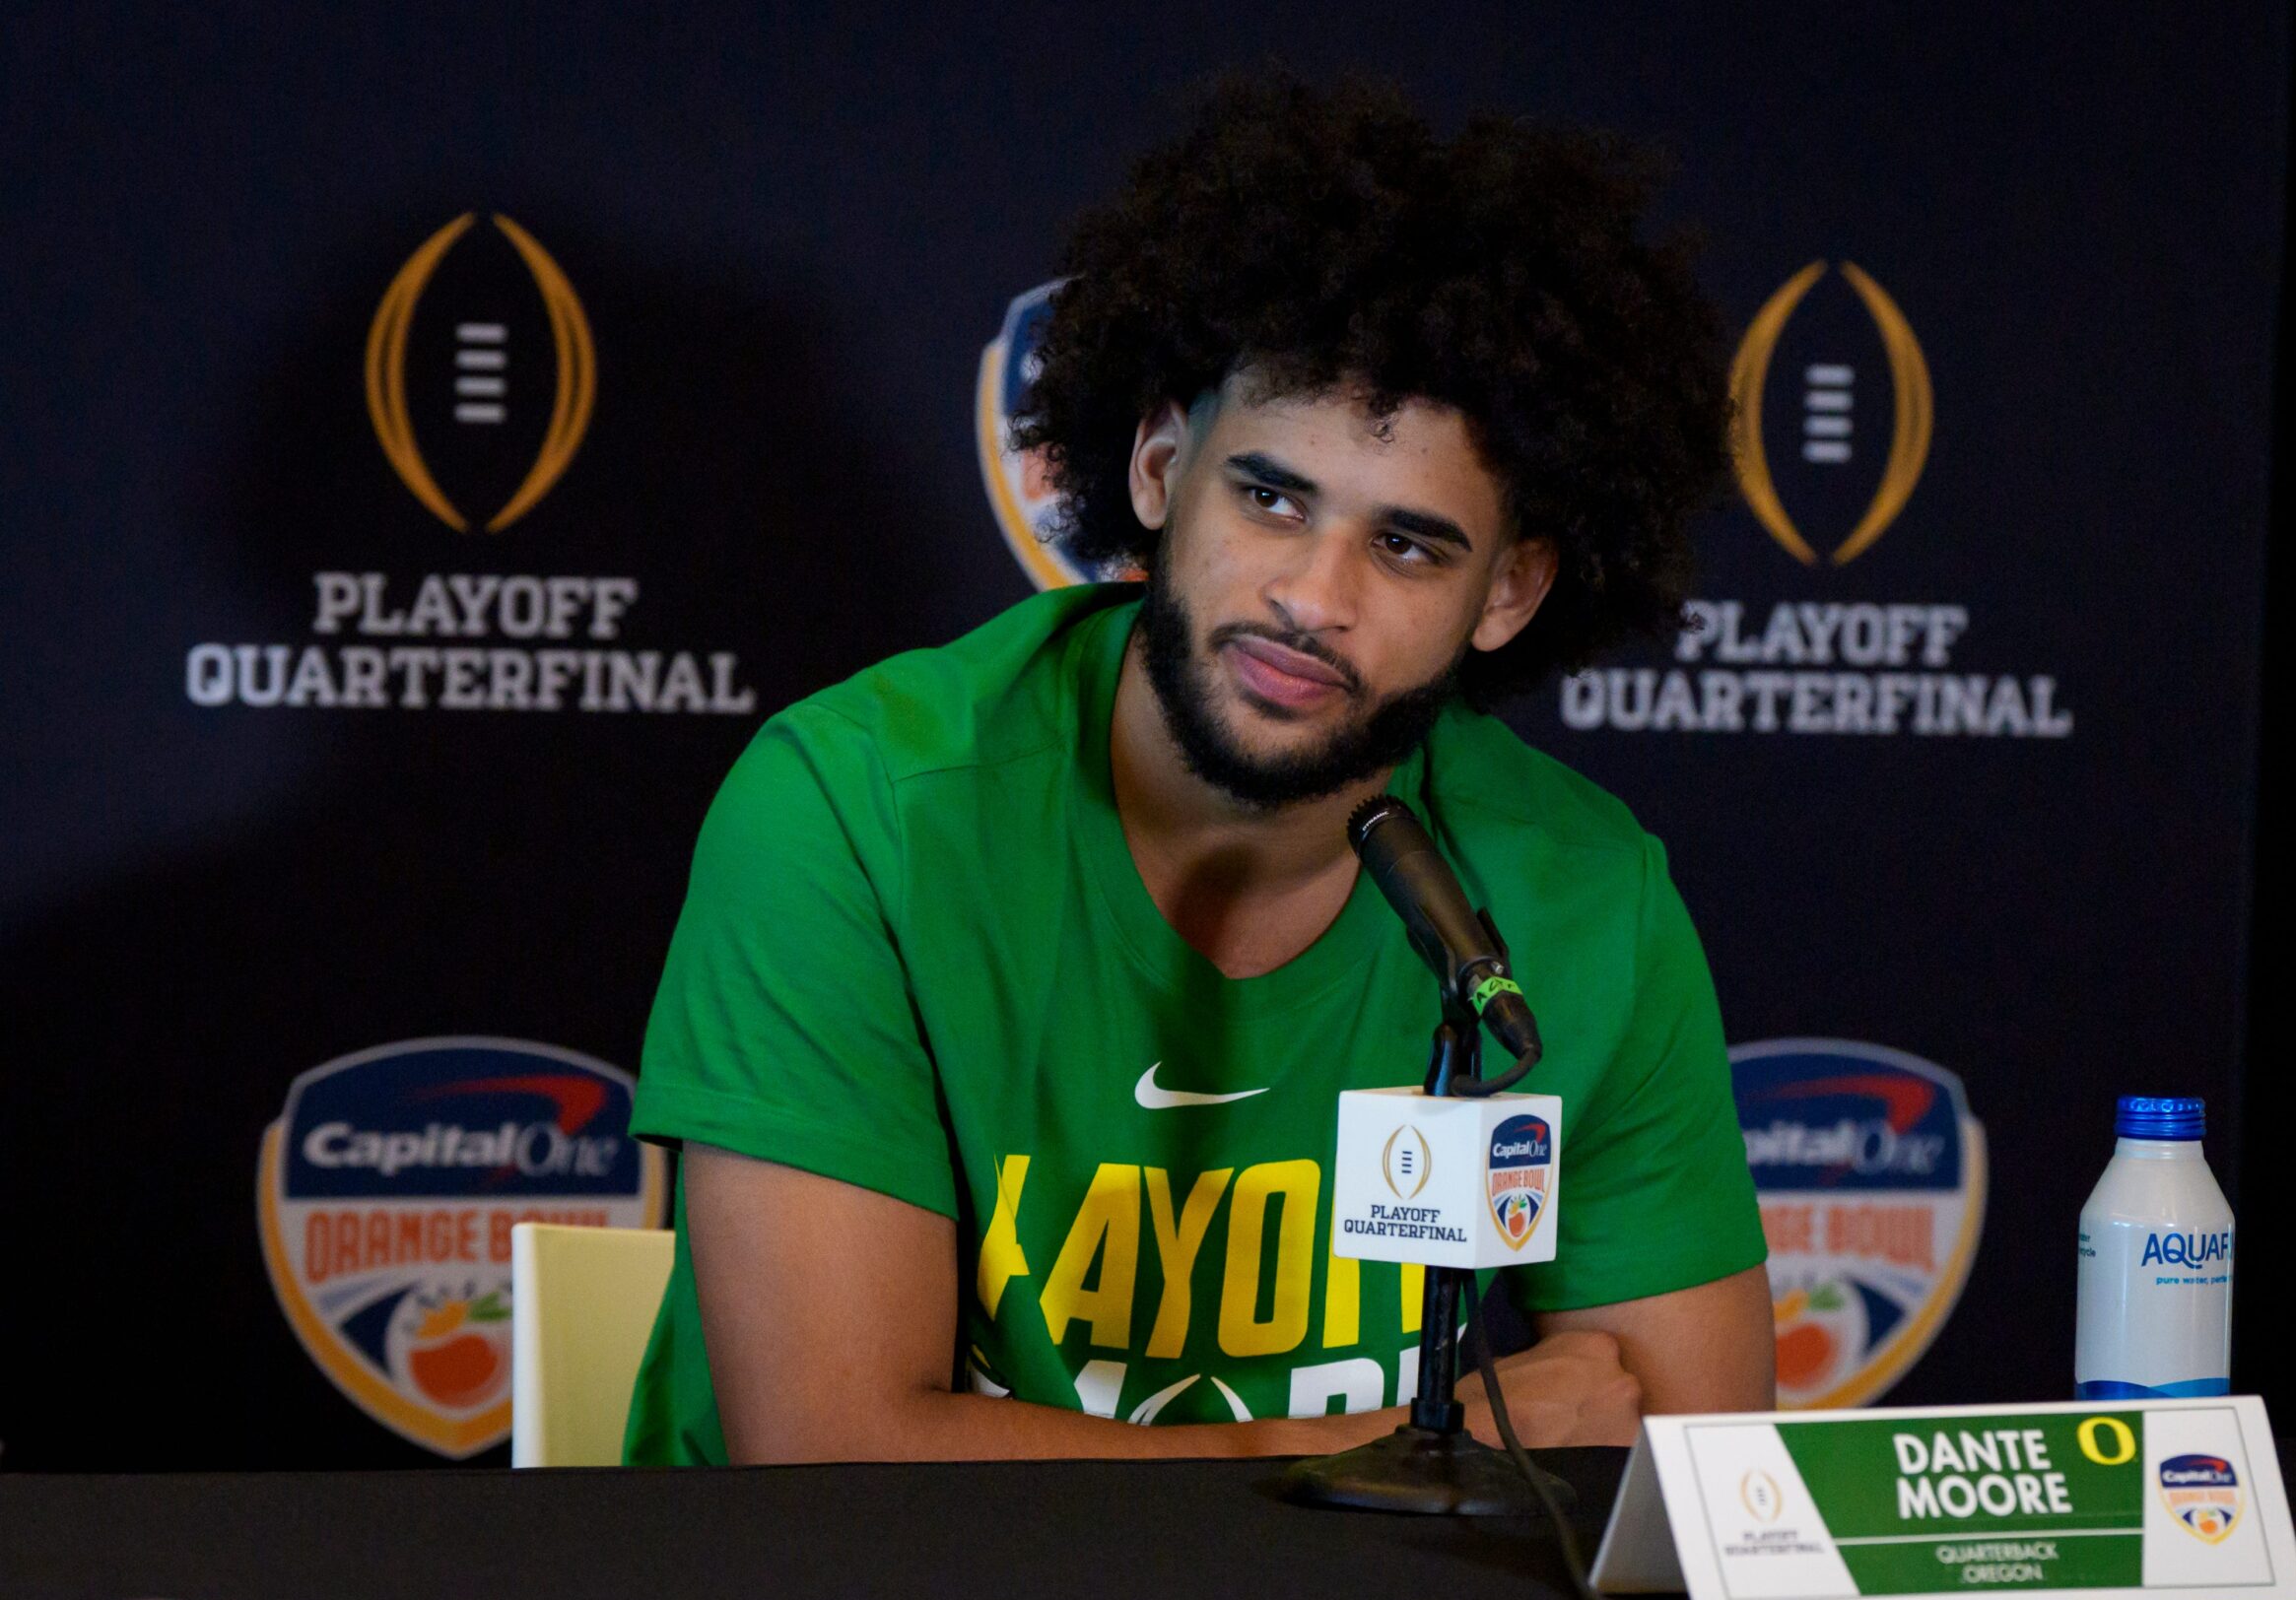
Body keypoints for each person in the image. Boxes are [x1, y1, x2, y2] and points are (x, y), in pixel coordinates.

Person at [622, 74, 1771, 1466]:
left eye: (1407, 545)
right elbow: (837, 1462)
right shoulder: (852, 814)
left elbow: (1702, 1470)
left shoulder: (1584, 895)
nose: (1312, 595)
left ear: (1513, 590)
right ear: (1162, 466)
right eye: (1270, 496)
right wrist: (1395, 1452)